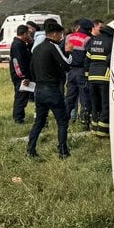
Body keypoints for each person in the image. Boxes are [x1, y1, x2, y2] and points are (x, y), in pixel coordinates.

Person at [27, 21, 73, 158]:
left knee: (39, 122)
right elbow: (66, 64)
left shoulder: (37, 49)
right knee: (62, 121)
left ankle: (31, 149)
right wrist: (70, 52)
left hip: (39, 90)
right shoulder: (53, 46)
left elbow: (31, 70)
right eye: (60, 34)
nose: (62, 37)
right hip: (52, 89)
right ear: (54, 34)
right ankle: (63, 151)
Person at [85, 21, 114, 137]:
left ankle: (94, 128)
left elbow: (87, 60)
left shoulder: (93, 41)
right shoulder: (111, 41)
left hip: (92, 77)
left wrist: (88, 76)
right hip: (105, 78)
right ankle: (102, 132)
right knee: (105, 104)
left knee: (95, 104)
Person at [64, 19, 93, 127]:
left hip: (71, 71)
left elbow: (65, 52)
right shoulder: (87, 39)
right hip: (82, 71)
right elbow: (88, 56)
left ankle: (65, 119)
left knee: (70, 97)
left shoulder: (69, 37)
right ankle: (84, 122)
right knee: (84, 98)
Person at [8, 26, 34, 124]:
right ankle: (18, 119)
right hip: (20, 76)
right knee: (21, 96)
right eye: (28, 34)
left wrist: (30, 44)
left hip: (23, 75)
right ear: (24, 34)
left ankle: (20, 116)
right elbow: (17, 62)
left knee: (24, 97)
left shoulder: (23, 44)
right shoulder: (17, 45)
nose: (29, 36)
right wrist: (23, 76)